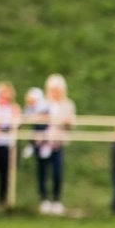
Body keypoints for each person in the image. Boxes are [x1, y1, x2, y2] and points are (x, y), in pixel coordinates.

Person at [39, 74, 76, 215]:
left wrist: (67, 122)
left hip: (58, 143)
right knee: (42, 172)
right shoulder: (43, 104)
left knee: (57, 173)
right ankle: (43, 199)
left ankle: (56, 200)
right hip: (43, 143)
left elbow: (71, 122)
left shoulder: (67, 104)